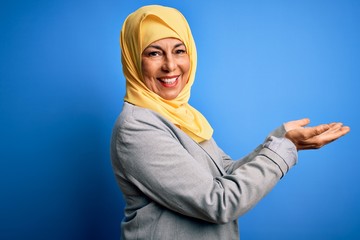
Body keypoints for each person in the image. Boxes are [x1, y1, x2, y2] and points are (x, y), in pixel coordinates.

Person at [110, 5, 350, 240]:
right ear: (133, 59)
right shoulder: (137, 128)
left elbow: (225, 174)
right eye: (154, 53)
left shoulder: (181, 115)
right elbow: (218, 202)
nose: (170, 65)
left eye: (179, 51)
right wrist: (282, 151)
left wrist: (283, 140)